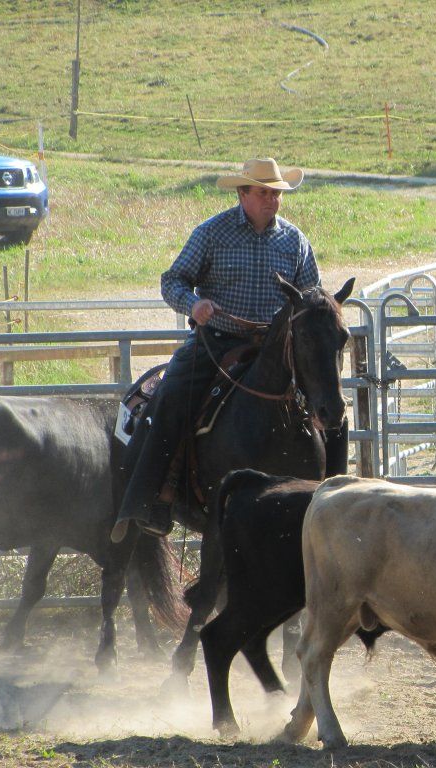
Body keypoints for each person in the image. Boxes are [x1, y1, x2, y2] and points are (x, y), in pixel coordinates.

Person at [111, 158, 346, 542]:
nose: (272, 200)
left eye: (276, 194)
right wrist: (194, 305)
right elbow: (173, 280)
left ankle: (335, 504)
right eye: (264, 193)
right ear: (243, 194)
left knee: (332, 404)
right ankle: (150, 499)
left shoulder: (294, 241)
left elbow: (311, 297)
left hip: (277, 347)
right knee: (170, 399)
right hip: (216, 341)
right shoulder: (212, 233)